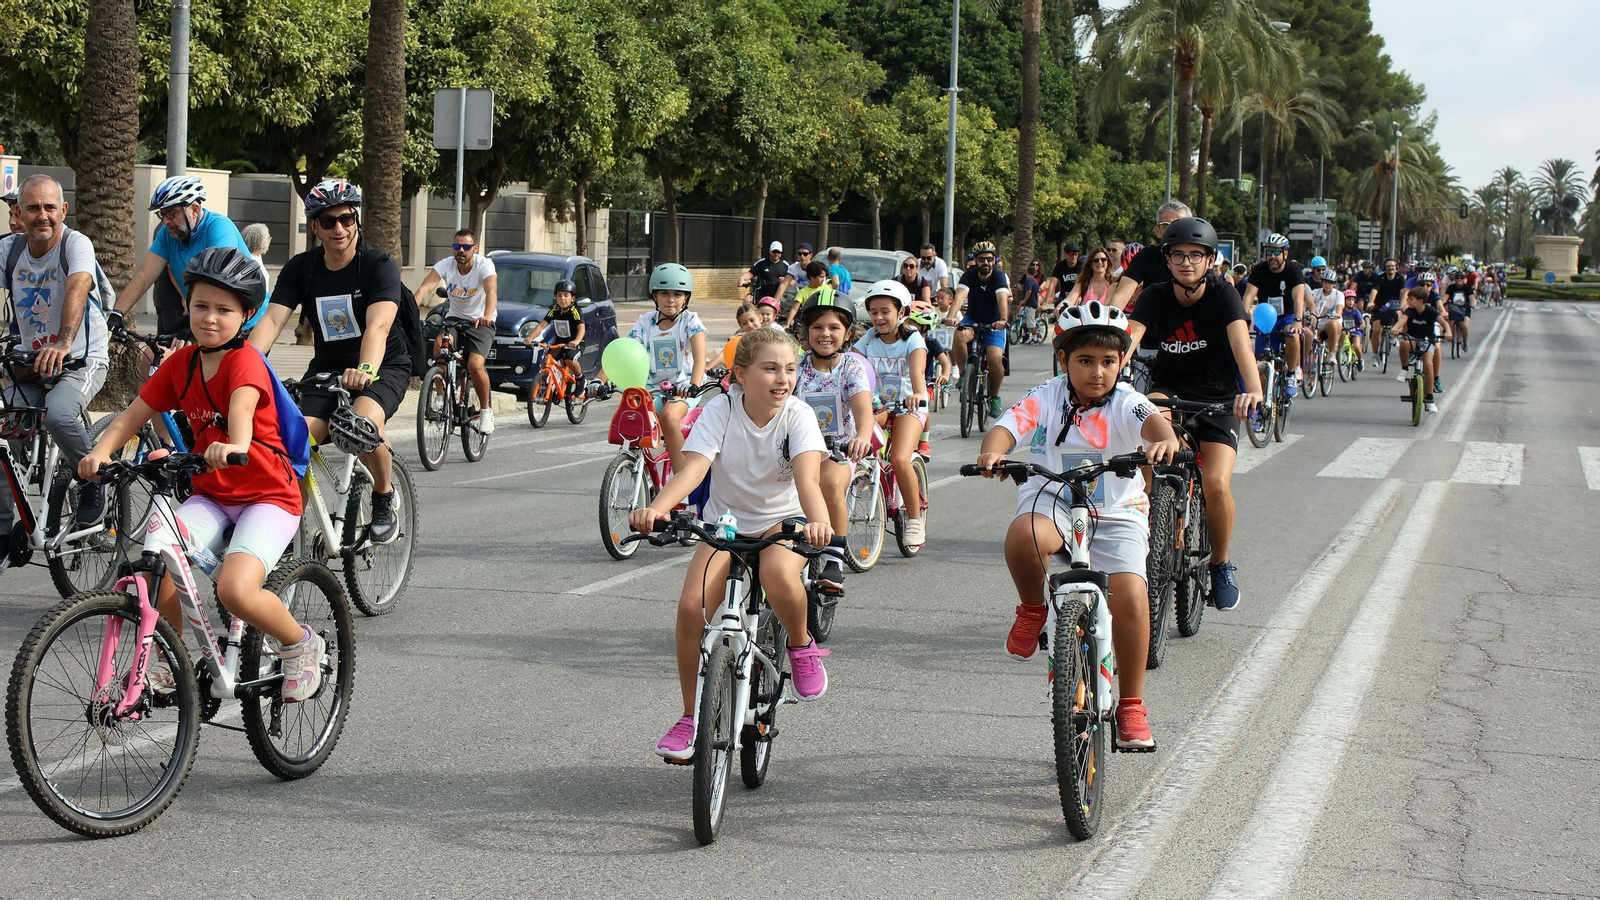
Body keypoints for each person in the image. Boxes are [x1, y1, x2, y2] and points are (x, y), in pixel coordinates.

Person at [77, 247, 323, 701]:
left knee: (235, 590)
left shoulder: (245, 362)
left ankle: (300, 642)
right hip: (213, 493)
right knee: (159, 560)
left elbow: (242, 411)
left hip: (268, 496)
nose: (210, 318)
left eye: (224, 310)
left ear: (246, 315)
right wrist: (100, 453)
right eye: (201, 306)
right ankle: (172, 661)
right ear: (187, 306)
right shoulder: (181, 363)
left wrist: (235, 446)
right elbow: (130, 417)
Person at [975, 301, 1182, 749]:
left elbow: (1157, 427)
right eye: (1085, 361)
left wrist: (1163, 444)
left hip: (1116, 513)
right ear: (1063, 358)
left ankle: (1131, 705)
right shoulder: (1046, 395)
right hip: (1053, 500)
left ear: (1121, 362)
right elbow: (1007, 426)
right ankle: (1032, 610)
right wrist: (993, 452)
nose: (1097, 372)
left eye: (1108, 361)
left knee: (1131, 594)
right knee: (1023, 536)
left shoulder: (1128, 401)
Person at [630, 325, 834, 759]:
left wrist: (819, 522)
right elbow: (692, 469)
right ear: (741, 374)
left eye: (790, 369)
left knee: (778, 575)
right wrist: (658, 508)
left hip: (784, 521)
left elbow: (808, 481)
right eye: (770, 369)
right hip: (725, 524)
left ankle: (801, 644)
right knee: (691, 607)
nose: (783, 378)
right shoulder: (719, 410)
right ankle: (690, 717)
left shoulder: (798, 415)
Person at [247, 178, 409, 544]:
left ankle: (384, 495)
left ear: (356, 220)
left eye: (347, 219)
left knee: (359, 425)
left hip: (382, 364)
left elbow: (379, 326)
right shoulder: (301, 268)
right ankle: (286, 535)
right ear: (315, 227)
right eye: (328, 220)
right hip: (326, 369)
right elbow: (271, 322)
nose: (339, 228)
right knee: (293, 441)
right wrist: (244, 368)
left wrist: (365, 370)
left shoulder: (378, 265)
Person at [1125, 216, 1264, 612]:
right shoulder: (1154, 296)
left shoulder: (1224, 295)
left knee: (1216, 484)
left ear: (1210, 260)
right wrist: (1110, 375)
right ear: (1166, 259)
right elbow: (1128, 340)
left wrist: (1253, 390)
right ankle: (1150, 515)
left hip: (1220, 398)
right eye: (1178, 255)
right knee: (1147, 427)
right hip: (1170, 390)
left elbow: (1241, 347)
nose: (1186, 263)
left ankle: (1220, 564)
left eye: (1195, 255)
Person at [0, 174, 112, 536]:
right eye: (32, 208)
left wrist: (64, 341)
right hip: (31, 364)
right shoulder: (9, 250)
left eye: (50, 207)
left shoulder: (75, 244)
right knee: (2, 429)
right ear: (19, 213)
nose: (42, 216)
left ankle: (93, 478)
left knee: (59, 414)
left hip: (81, 359)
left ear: (63, 210)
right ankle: (3, 530)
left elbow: (78, 287)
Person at [109, 175, 261, 336]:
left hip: (245, 321)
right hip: (208, 319)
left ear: (194, 210)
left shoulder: (219, 227)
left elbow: (219, 280)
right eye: (162, 214)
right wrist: (116, 314)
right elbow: (144, 275)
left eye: (171, 213)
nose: (165, 221)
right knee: (157, 349)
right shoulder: (167, 234)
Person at [794, 291, 873, 594]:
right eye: (817, 327)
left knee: (828, 482)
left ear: (848, 333)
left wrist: (861, 437)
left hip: (837, 452)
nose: (825, 334)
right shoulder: (797, 367)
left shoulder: (851, 368)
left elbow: (863, 411)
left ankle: (834, 558)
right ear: (806, 331)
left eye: (833, 327)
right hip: (798, 451)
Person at [856, 279, 928, 547]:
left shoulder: (913, 339)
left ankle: (915, 519)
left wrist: (917, 394)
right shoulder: (869, 338)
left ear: (902, 312)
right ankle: (868, 469)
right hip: (881, 406)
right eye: (873, 312)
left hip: (910, 408)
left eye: (885, 311)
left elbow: (917, 372)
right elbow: (852, 362)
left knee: (899, 458)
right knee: (858, 434)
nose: (878, 317)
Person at [413, 228, 499, 433]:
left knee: (475, 364)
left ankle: (486, 411)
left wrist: (487, 315)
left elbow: (491, 292)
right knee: (440, 347)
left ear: (475, 248)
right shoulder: (446, 264)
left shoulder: (484, 265)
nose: (461, 250)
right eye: (457, 246)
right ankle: (440, 397)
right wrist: (410, 312)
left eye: (466, 246)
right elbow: (424, 289)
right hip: (454, 319)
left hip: (480, 321)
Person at [628, 263, 708, 474]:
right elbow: (625, 353)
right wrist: (598, 381)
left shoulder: (690, 321)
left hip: (684, 386)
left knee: (669, 417)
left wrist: (693, 385)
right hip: (653, 388)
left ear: (686, 297)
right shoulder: (645, 322)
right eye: (664, 293)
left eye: (677, 294)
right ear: (655, 296)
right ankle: (641, 475)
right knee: (632, 416)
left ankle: (683, 480)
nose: (671, 299)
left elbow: (700, 359)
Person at [1240, 232, 1309, 395]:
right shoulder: (1259, 270)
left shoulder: (1294, 271)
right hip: (1265, 318)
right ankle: (1261, 403)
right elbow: (1248, 296)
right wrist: (1241, 320)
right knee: (1260, 365)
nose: (1272, 256)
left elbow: (1298, 298)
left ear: (1285, 253)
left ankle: (1291, 373)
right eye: (1269, 252)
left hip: (1287, 317)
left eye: (1277, 252)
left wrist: (1298, 320)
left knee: (1292, 336)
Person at [952, 241, 1011, 420]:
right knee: (959, 334)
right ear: (976, 261)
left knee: (995, 358)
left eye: (989, 259)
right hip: (973, 319)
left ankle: (994, 397)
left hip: (994, 323)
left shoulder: (999, 276)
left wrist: (1003, 320)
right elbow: (960, 296)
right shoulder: (969, 275)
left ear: (994, 260)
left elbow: (1002, 299)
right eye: (981, 259)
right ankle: (964, 374)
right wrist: (951, 315)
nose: (986, 262)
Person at [1107, 201, 1193, 312]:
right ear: (1158, 231)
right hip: (1154, 318)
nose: (1173, 231)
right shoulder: (1145, 256)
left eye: (1179, 225)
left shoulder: (1200, 256)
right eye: (1166, 226)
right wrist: (1111, 316)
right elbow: (1121, 296)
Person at [1395, 286, 1448, 412]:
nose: (1408, 301)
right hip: (1413, 339)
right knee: (1404, 343)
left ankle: (1430, 398)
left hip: (1427, 340)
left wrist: (1448, 331)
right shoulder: (1409, 311)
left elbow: (1443, 322)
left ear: (1420, 301)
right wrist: (1396, 328)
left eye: (1411, 299)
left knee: (1428, 365)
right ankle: (1404, 369)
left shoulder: (1430, 311)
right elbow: (1402, 320)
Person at [527, 278, 587, 385]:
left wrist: (576, 341)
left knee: (569, 359)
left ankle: (580, 379)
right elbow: (541, 325)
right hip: (560, 342)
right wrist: (530, 338)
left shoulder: (574, 310)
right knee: (547, 359)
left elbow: (581, 327)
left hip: (575, 343)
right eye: (559, 295)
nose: (562, 299)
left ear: (573, 298)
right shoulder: (555, 310)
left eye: (566, 295)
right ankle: (546, 382)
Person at [1310, 270, 1345, 369]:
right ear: (1322, 282)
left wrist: (1337, 314)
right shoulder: (1315, 292)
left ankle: (1332, 353)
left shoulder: (1338, 294)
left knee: (1332, 324)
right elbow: (1307, 303)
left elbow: (1339, 309)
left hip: (1331, 321)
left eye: (1330, 283)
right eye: (1325, 282)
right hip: (1317, 322)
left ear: (1334, 284)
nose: (1327, 285)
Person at [787, 259, 831, 329]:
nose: (823, 280)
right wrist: (787, 324)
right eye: (821, 277)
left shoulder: (827, 288)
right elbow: (794, 309)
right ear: (811, 277)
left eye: (824, 277)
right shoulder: (803, 292)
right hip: (811, 323)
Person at [1444, 268, 1474, 353]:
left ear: (1464, 279)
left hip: (1465, 308)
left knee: (1464, 325)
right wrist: (1442, 302)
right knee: (1449, 321)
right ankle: (1451, 335)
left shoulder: (1467, 287)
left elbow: (1472, 297)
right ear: (1455, 279)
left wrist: (1473, 304)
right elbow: (1445, 296)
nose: (1459, 280)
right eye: (1457, 278)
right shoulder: (1451, 287)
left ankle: (1465, 342)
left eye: (1461, 278)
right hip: (1453, 308)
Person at [240, 222, 273, 289]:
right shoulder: (249, 260)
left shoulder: (258, 257)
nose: (270, 241)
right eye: (268, 238)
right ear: (261, 240)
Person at [1017, 259, 1043, 342]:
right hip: (1033, 303)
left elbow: (1029, 291)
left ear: (1027, 272)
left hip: (1030, 304)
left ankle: (1035, 338)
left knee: (1031, 322)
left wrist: (1024, 300)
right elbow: (1037, 293)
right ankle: (1026, 335)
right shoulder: (1035, 282)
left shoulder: (1028, 281)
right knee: (1026, 320)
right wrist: (1037, 303)